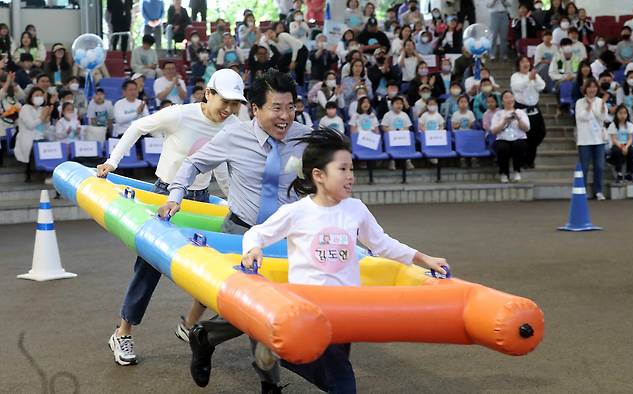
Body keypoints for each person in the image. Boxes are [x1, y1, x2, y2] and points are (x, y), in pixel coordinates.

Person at [240, 128, 449, 394]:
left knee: (332, 378)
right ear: (319, 175)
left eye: (352, 169)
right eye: (343, 169)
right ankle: (281, 352)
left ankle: (278, 353)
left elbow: (382, 243)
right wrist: (252, 249)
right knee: (342, 384)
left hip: (347, 310)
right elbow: (256, 233)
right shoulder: (297, 212)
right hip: (309, 309)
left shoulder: (356, 209)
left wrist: (423, 258)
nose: (351, 176)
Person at [157, 69, 310, 392]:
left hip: (284, 239)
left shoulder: (305, 137)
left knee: (270, 309)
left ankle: (205, 335)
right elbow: (193, 164)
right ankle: (270, 383)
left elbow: (323, 179)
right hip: (240, 233)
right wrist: (176, 196)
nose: (285, 116)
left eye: (291, 107)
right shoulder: (233, 136)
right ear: (255, 109)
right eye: (276, 108)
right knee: (262, 308)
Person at [97, 69, 246, 367]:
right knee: (149, 267)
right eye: (224, 101)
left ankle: (189, 324)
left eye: (235, 104)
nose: (228, 110)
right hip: (165, 196)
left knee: (210, 266)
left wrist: (231, 199)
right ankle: (123, 333)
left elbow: (221, 164)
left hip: (201, 200)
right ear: (209, 93)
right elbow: (137, 126)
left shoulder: (233, 123)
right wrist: (113, 162)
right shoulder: (179, 115)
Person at [575, 78, 608, 200]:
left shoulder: (600, 101)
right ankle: (582, 191)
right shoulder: (580, 102)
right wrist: (588, 106)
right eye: (589, 87)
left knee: (599, 166)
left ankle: (598, 191)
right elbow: (582, 117)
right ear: (585, 89)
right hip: (584, 140)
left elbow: (603, 118)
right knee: (584, 166)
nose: (592, 89)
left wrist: (603, 105)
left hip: (599, 139)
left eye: (594, 87)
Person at [511, 56, 546, 168]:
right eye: (522, 62)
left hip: (534, 109)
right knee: (524, 137)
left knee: (539, 134)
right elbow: (518, 88)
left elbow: (542, 86)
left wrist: (534, 78)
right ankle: (522, 160)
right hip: (521, 109)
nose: (525, 64)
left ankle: (530, 160)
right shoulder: (515, 76)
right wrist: (528, 79)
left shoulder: (534, 75)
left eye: (527, 61)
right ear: (518, 64)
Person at [490, 90, 529, 183]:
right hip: (503, 139)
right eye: (506, 97)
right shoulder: (498, 114)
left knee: (519, 145)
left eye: (510, 97)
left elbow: (526, 128)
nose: (509, 99)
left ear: (514, 100)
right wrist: (504, 121)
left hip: (519, 138)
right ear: (502, 101)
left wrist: (519, 119)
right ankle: (504, 173)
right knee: (502, 148)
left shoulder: (520, 112)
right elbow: (494, 131)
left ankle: (517, 171)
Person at [15, 87, 53, 182]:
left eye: (41, 96)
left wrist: (47, 117)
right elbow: (30, 125)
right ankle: (45, 175)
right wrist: (43, 117)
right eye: (36, 95)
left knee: (52, 147)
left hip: (41, 138)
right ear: (30, 97)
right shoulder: (25, 109)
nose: (39, 97)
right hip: (29, 139)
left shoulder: (42, 109)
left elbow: (46, 128)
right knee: (40, 148)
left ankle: (51, 173)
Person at [606, 105, 633, 182]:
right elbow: (614, 140)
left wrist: (626, 147)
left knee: (631, 151)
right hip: (616, 144)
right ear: (616, 114)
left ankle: (629, 173)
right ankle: (619, 173)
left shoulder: (629, 125)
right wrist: (621, 147)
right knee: (617, 151)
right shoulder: (613, 125)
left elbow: (630, 138)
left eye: (624, 113)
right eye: (620, 113)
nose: (623, 115)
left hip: (627, 144)